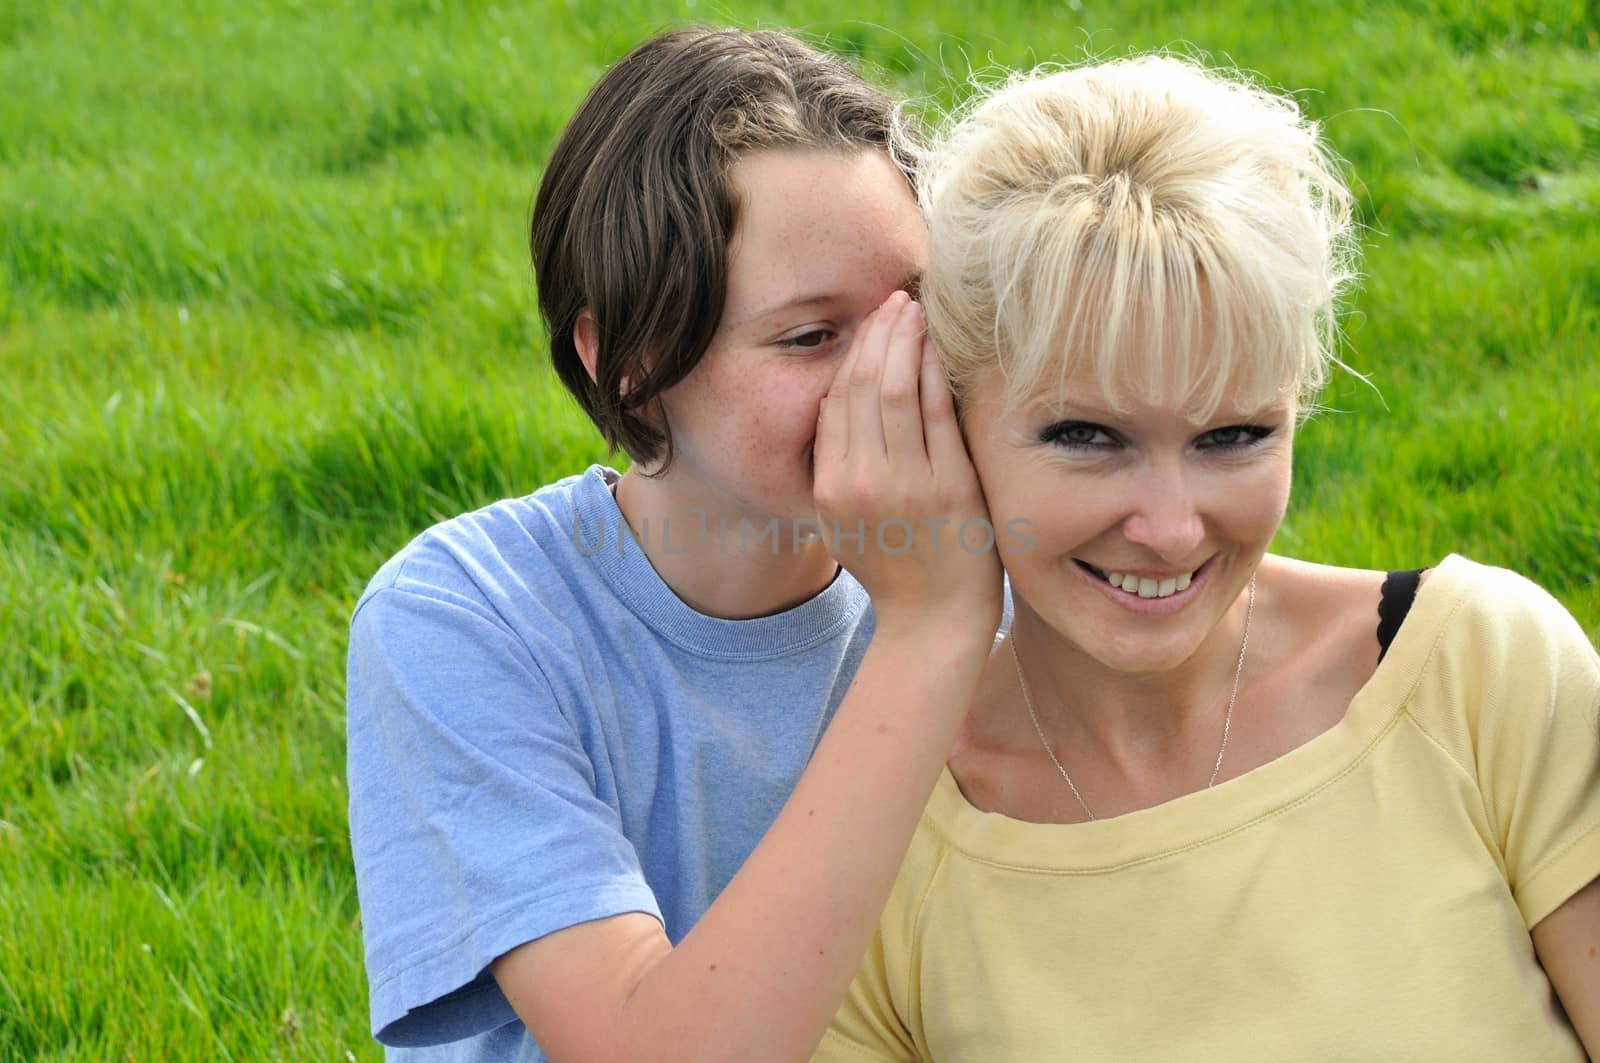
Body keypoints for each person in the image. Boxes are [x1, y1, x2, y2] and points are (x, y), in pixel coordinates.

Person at [817, 55, 1600, 1061]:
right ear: (940, 416)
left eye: (1232, 436)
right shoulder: (874, 851)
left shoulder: (1481, 671)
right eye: (1085, 436)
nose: (1172, 528)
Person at [345, 26, 1006, 1063]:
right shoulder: (465, 615)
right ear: (629, 361)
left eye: (915, 317)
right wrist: (928, 629)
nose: (892, 375)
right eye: (811, 335)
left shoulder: (994, 568)